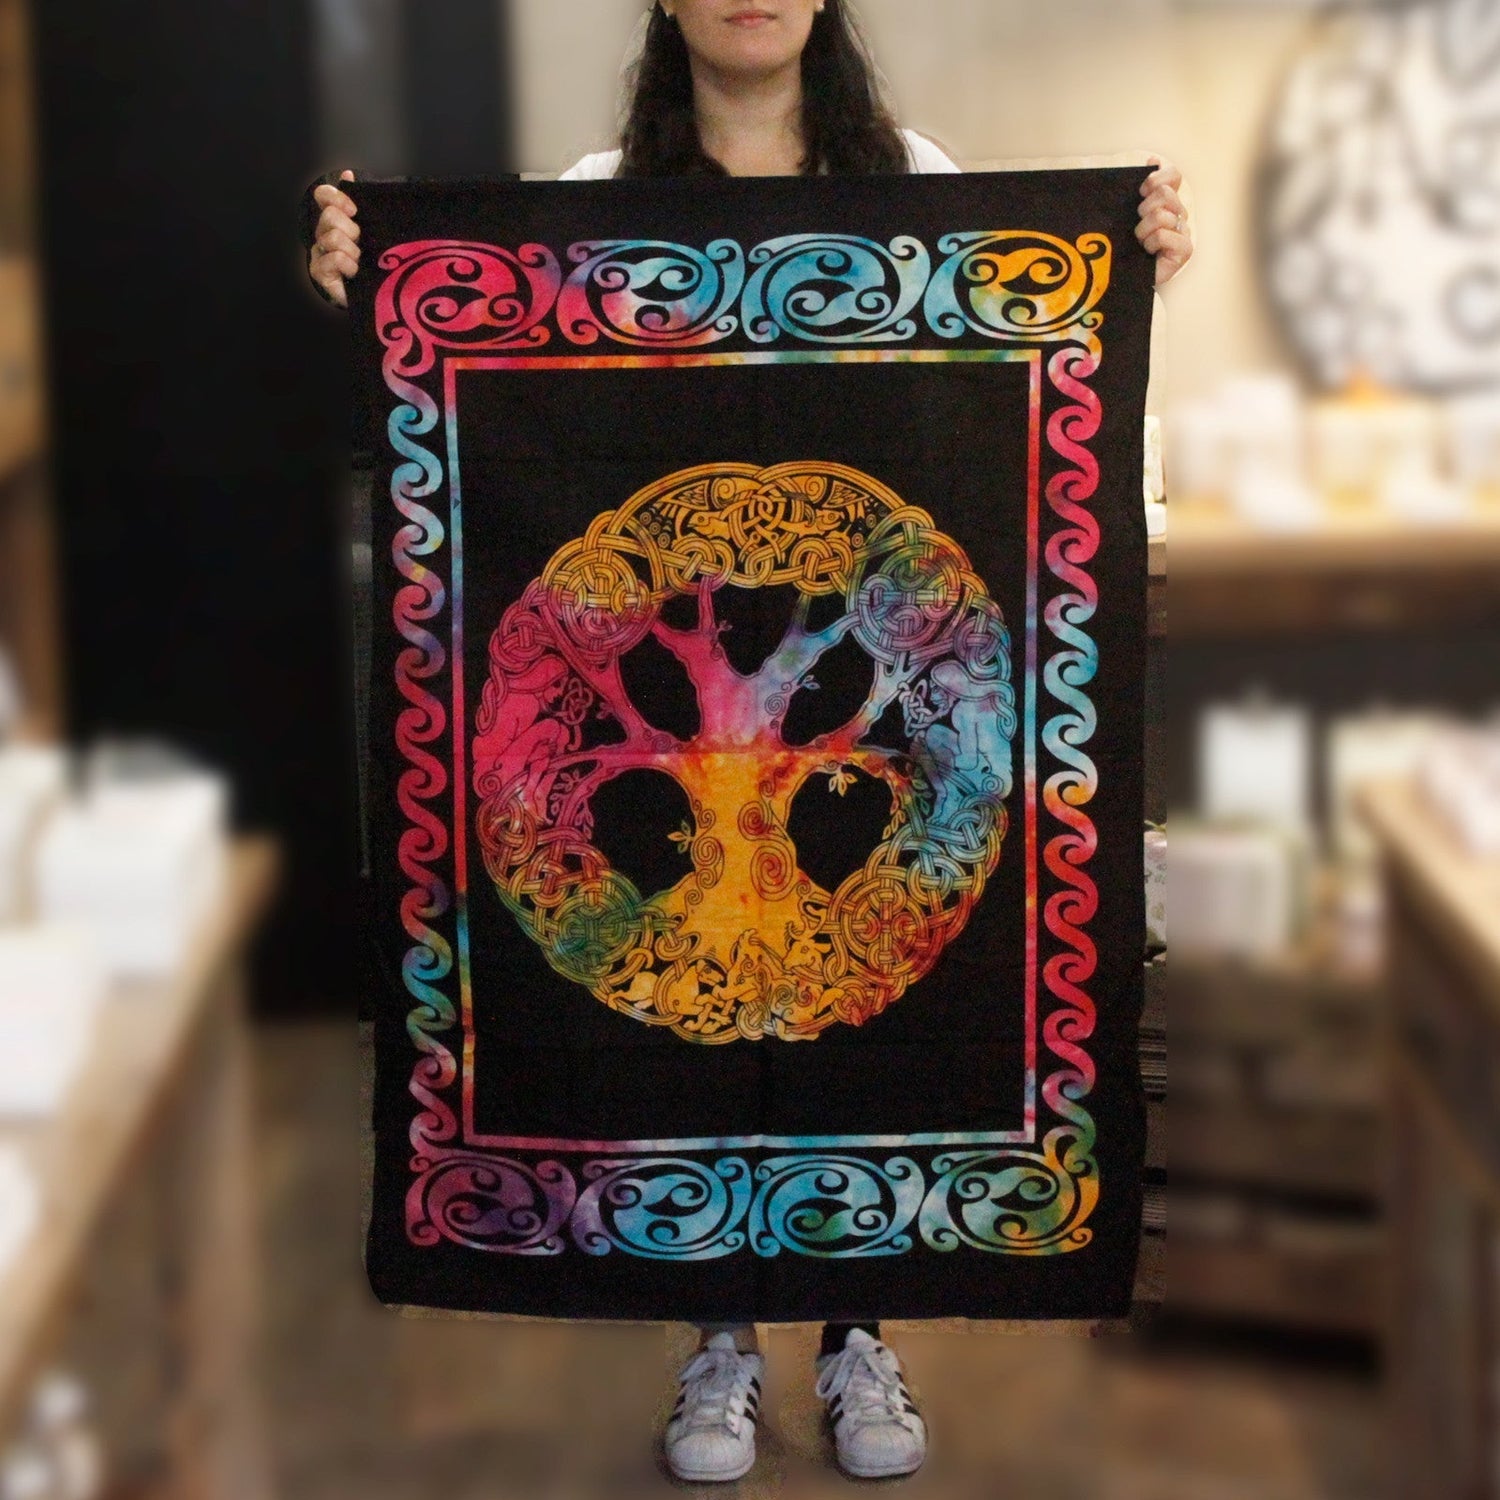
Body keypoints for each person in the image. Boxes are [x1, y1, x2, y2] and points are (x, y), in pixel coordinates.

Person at [308, 0, 1193, 1483]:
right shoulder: (591, 210)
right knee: (685, 1047)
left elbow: (1009, 415)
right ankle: (716, 1333)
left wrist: (1136, 261)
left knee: (880, 1032)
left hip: (856, 698)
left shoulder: (919, 189)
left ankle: (857, 1333)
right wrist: (364, 273)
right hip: (674, 692)